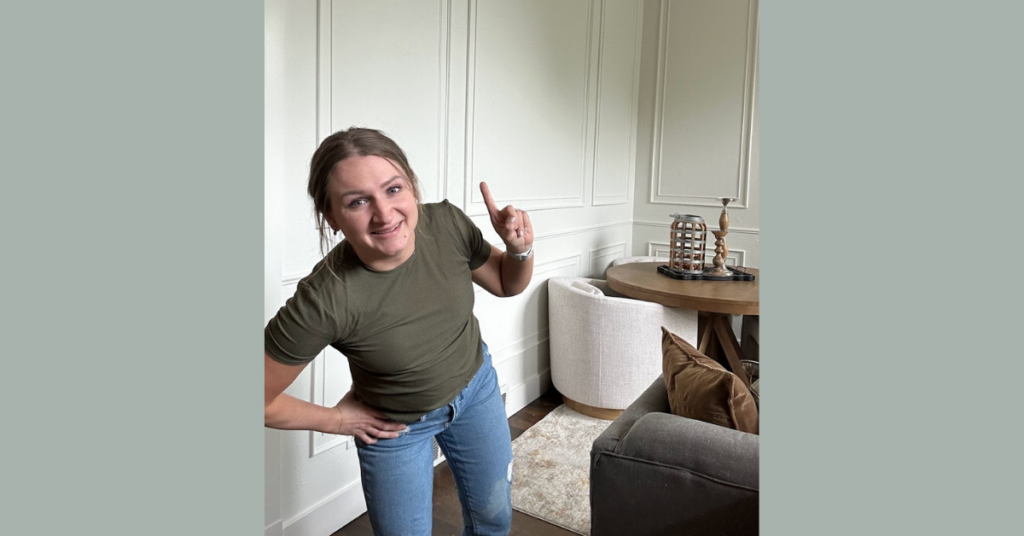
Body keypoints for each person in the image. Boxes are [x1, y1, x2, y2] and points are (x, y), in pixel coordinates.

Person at [264, 127, 534, 536]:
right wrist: (337, 420)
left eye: (393, 189)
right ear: (331, 217)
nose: (385, 214)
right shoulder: (323, 298)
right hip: (395, 431)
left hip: (476, 390)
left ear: (412, 187)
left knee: (494, 521)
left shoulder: (446, 223)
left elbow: (505, 282)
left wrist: (519, 250)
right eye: (357, 201)